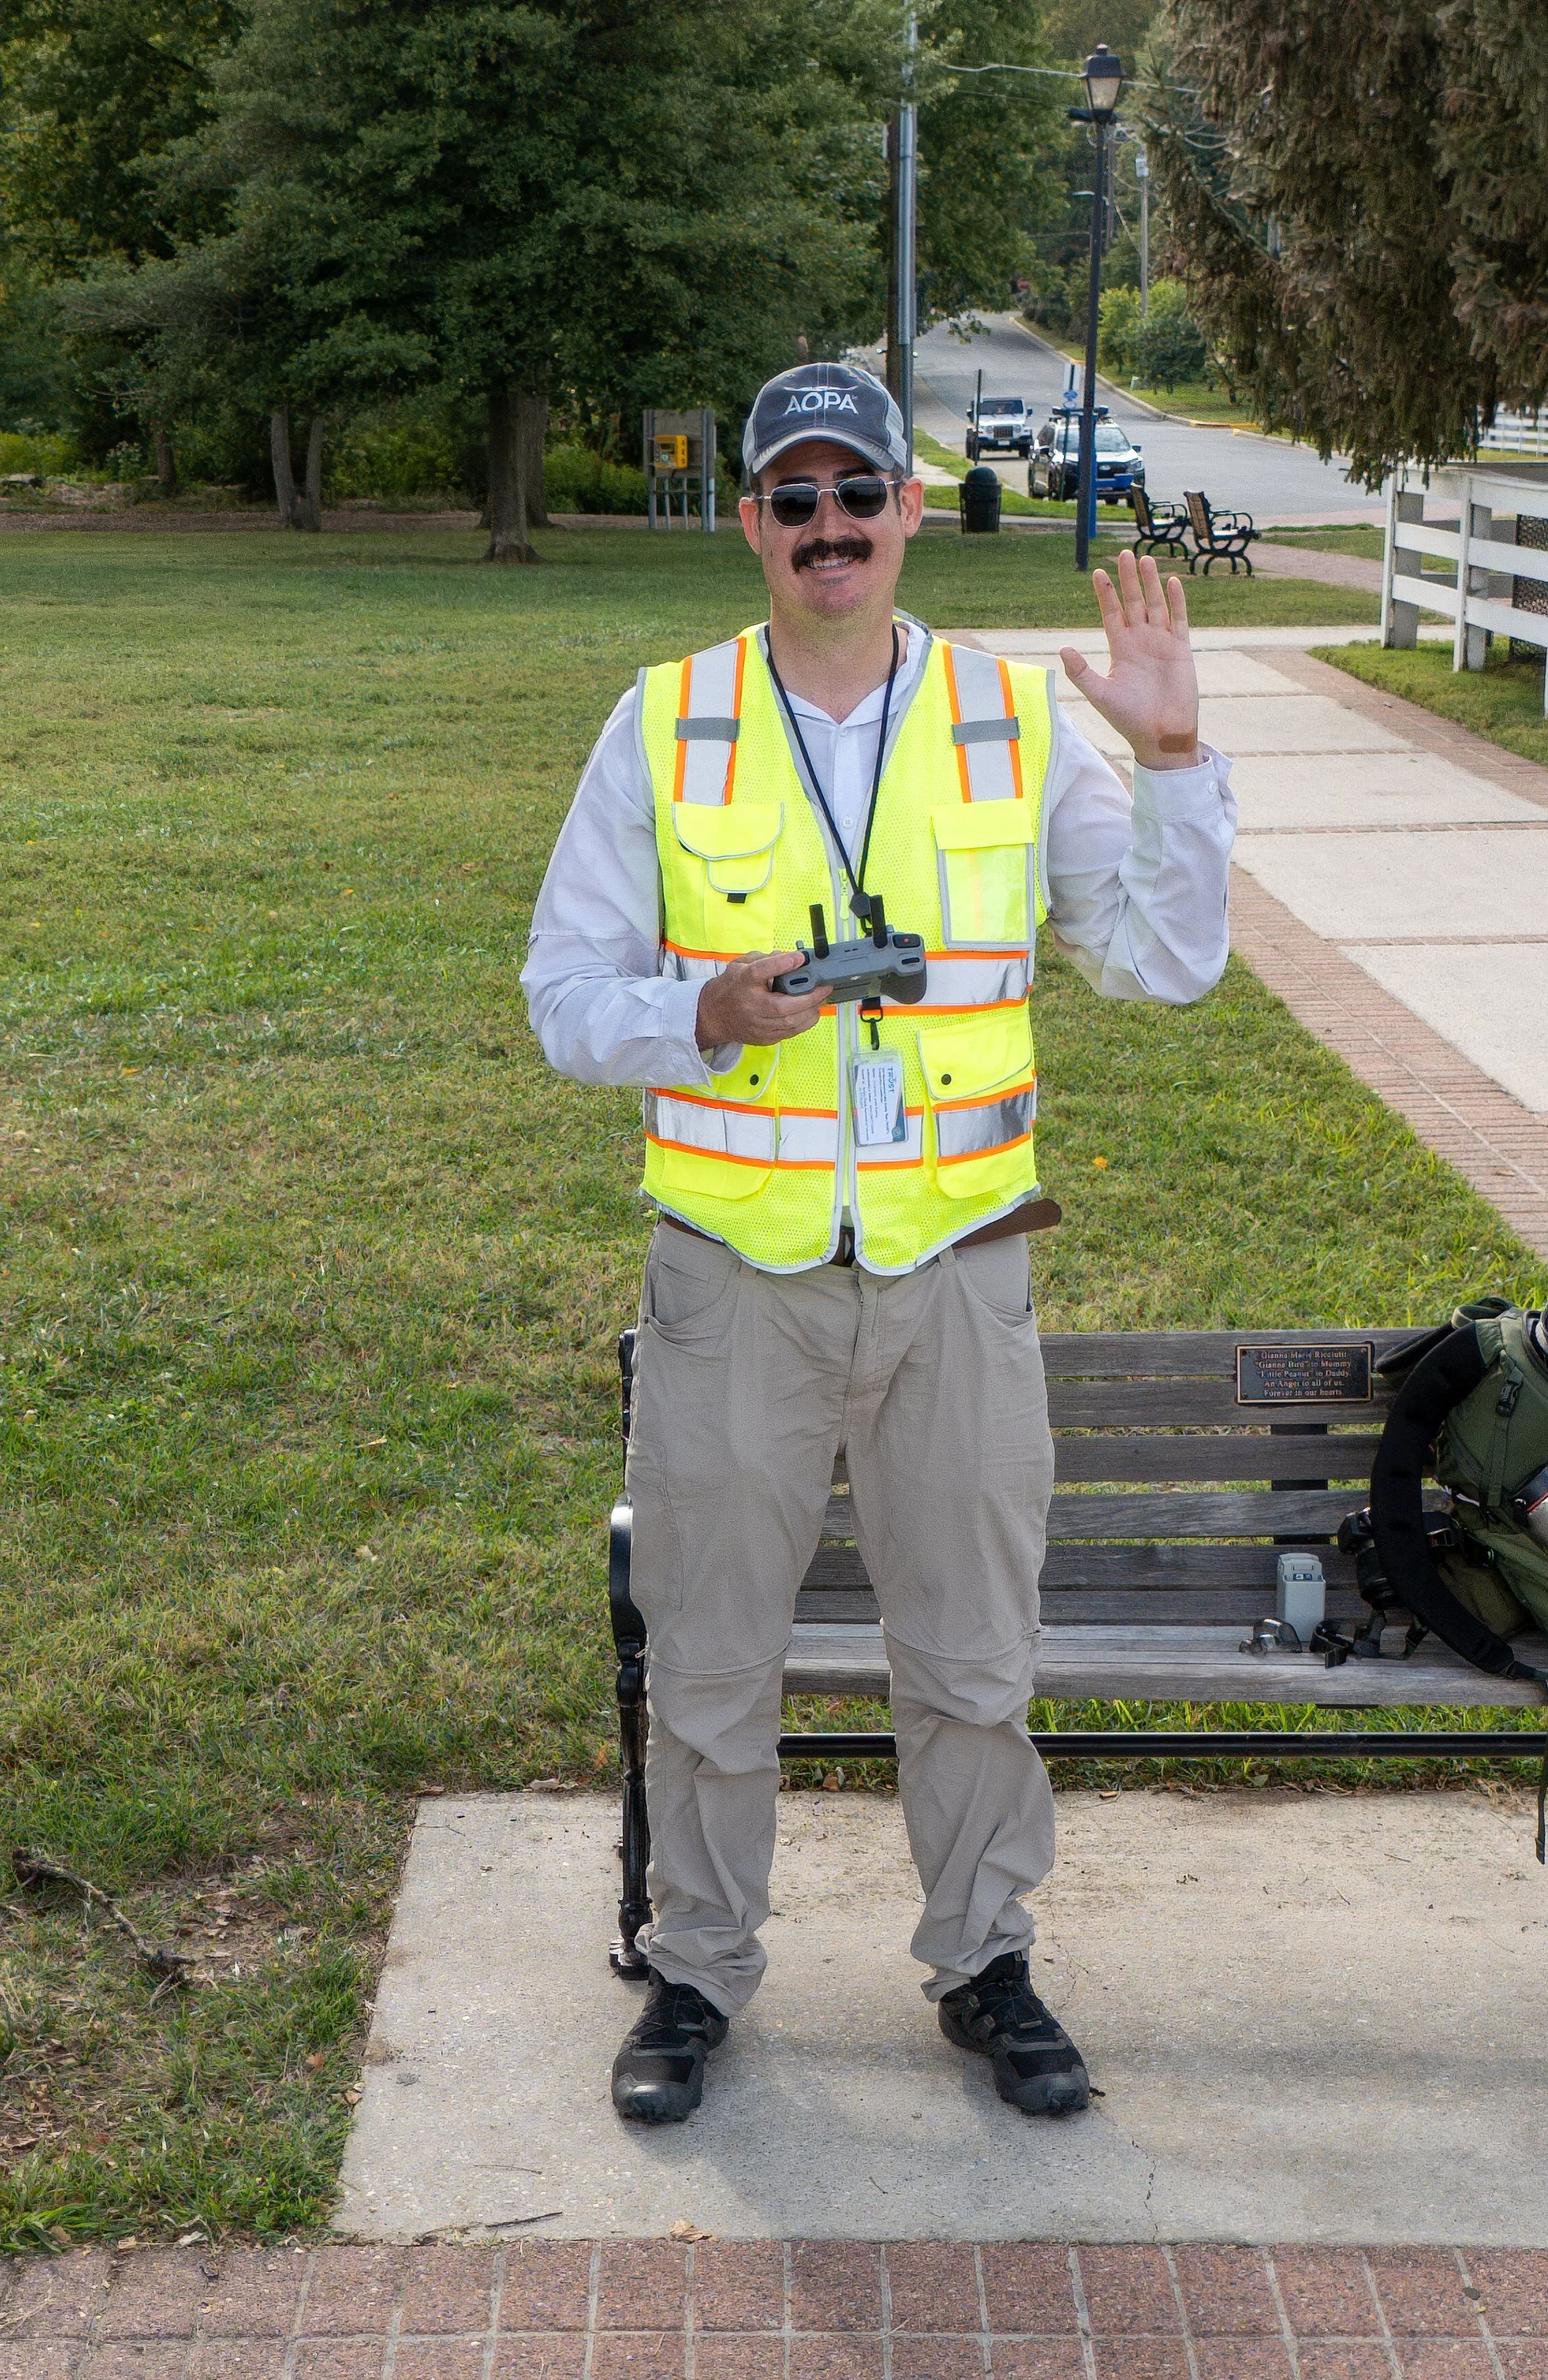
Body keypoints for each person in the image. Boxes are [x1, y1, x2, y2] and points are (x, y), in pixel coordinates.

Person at [522, 360, 1234, 2125]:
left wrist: (1174, 762)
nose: (830, 527)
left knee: (973, 1653)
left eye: (861, 494)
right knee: (705, 1652)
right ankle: (694, 1972)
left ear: (910, 510)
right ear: (749, 522)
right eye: (796, 498)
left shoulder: (1010, 714)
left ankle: (982, 1959)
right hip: (731, 1276)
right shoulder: (663, 718)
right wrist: (700, 1014)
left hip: (957, 1270)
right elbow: (560, 995)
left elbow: (1160, 960)